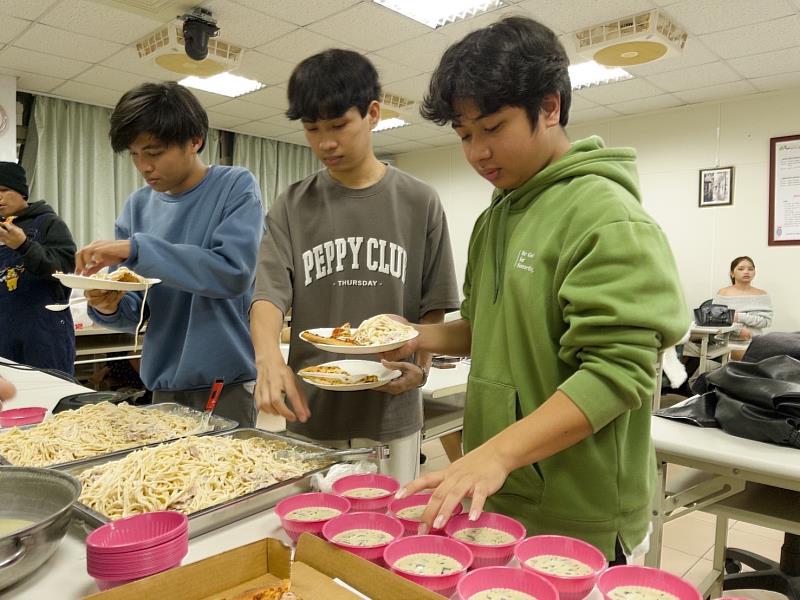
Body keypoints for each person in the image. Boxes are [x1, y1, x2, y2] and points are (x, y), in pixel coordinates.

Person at [384, 17, 690, 562]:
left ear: (549, 108)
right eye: (464, 136)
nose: (478, 152)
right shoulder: (495, 217)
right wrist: (416, 337)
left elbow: (618, 373)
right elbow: (490, 330)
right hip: (504, 491)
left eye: (493, 128)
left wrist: (496, 453)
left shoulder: (606, 216)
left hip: (580, 508)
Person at [250, 49, 460, 483]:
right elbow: (268, 293)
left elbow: (432, 304)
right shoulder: (292, 204)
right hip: (312, 411)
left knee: (387, 532)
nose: (325, 142)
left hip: (392, 410)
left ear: (373, 114)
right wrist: (268, 358)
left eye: (338, 125)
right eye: (312, 129)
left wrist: (419, 368)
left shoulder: (419, 201)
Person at [75, 82, 263, 426]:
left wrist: (137, 249)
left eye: (154, 151)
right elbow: (138, 310)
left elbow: (232, 273)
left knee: (226, 476)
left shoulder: (235, 186)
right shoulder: (137, 207)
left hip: (224, 381)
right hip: (163, 382)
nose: (144, 166)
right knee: (169, 477)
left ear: (195, 141)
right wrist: (109, 304)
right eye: (134, 154)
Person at [0, 161, 76, 373]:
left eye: (4, 190)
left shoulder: (48, 224)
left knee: (51, 395)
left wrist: (23, 245)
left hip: (44, 333)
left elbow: (64, 270)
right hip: (5, 333)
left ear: (22, 192)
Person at [714, 256, 772, 356]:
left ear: (755, 272)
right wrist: (738, 330)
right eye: (741, 269)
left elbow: (766, 321)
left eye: (750, 269)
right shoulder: (723, 293)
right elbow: (716, 318)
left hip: (753, 343)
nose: (746, 272)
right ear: (732, 273)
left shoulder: (762, 295)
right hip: (725, 343)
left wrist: (739, 317)